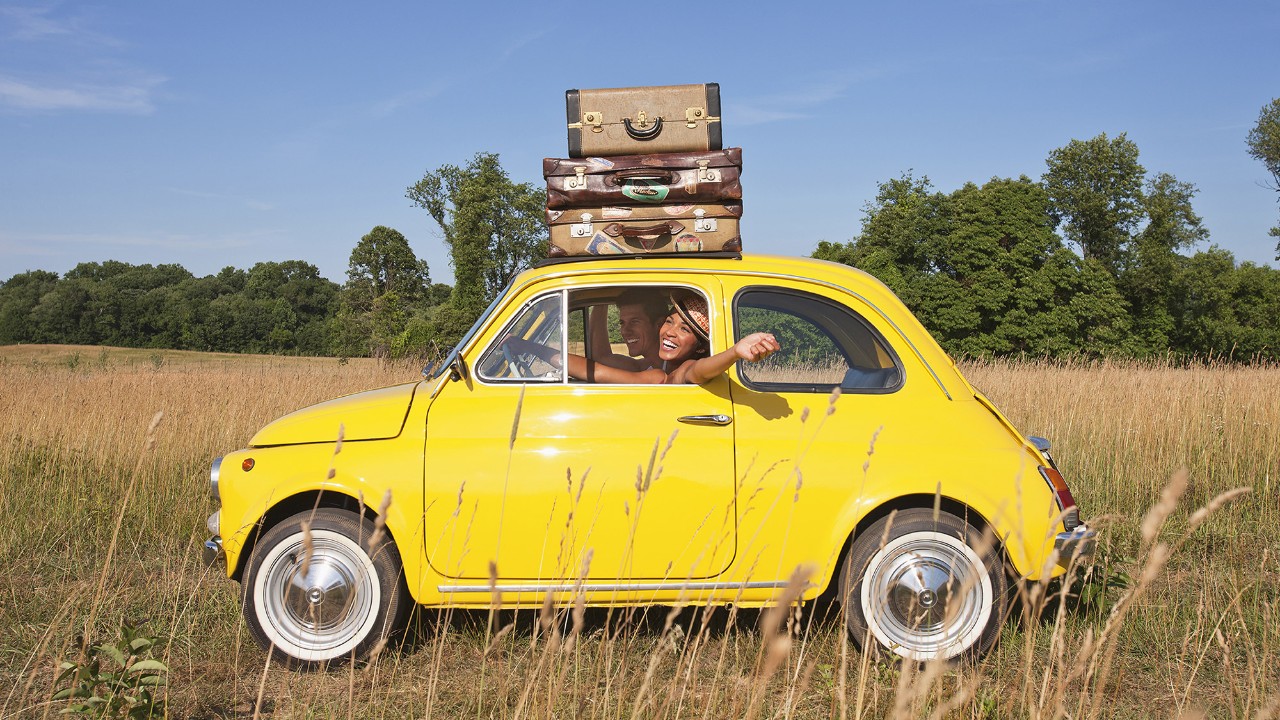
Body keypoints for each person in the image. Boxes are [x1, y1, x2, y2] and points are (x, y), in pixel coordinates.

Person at [503, 293, 780, 385]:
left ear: (699, 345)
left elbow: (699, 371)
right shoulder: (649, 368)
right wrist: (602, 301)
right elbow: (600, 360)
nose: (671, 331)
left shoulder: (664, 375)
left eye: (685, 329)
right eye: (671, 322)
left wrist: (734, 352)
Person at [586, 288, 666, 371]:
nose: (624, 331)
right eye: (622, 323)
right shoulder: (646, 366)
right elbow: (601, 357)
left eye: (634, 322)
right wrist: (601, 296)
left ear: (659, 324)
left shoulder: (672, 370)